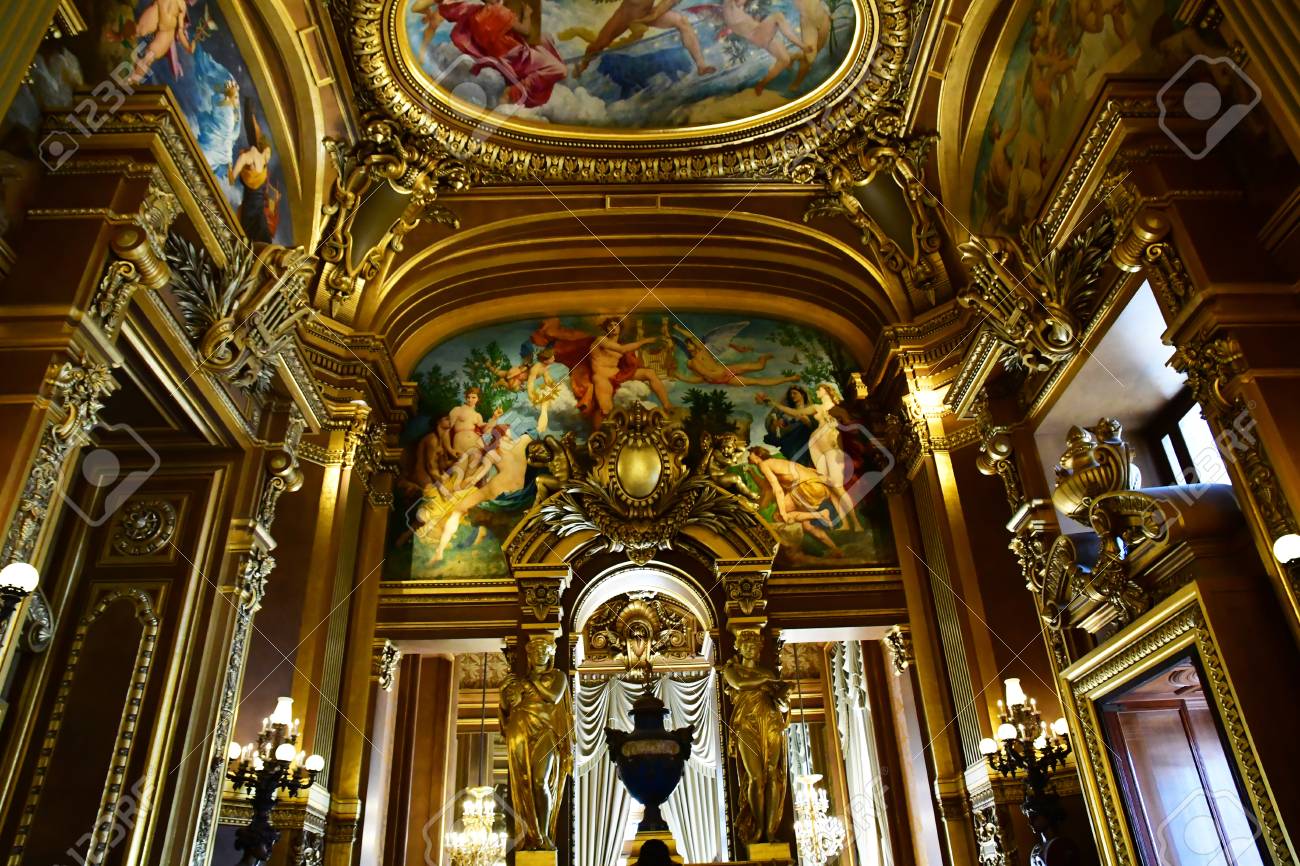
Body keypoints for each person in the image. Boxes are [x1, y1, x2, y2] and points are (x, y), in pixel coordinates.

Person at [500, 637, 573, 850]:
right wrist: (502, 692)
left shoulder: (557, 676)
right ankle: (532, 836)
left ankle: (543, 833)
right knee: (523, 780)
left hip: (546, 730)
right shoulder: (518, 681)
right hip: (520, 727)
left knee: (540, 781)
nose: (540, 654)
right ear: (530, 656)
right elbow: (508, 707)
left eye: (544, 650)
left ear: (550, 654)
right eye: (536, 651)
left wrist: (532, 682)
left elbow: (553, 697)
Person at [424, 0, 567, 107]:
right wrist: (528, 14)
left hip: (501, 57)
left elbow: (452, 11)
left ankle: (541, 64)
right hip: (517, 56)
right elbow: (526, 30)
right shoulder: (499, 12)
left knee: (545, 38)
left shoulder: (474, 12)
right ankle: (518, 89)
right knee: (559, 69)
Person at [719, 627, 788, 844]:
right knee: (756, 777)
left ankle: (770, 831)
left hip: (771, 723)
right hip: (746, 725)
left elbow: (782, 705)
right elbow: (740, 685)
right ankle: (757, 829)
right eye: (746, 645)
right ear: (739, 648)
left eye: (754, 646)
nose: (750, 649)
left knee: (773, 775)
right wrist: (766, 682)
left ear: (759, 650)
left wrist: (783, 701)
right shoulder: (732, 670)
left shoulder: (768, 673)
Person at [574, 0, 716, 77]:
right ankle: (583, 66)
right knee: (599, 45)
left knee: (682, 22)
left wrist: (654, 14)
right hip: (625, 16)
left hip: (646, 15)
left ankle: (701, 65)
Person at [747, 447, 842, 552]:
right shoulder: (773, 463)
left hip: (806, 488)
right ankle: (835, 549)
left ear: (758, 455)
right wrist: (752, 473)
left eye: (750, 453)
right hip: (815, 487)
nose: (748, 456)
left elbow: (777, 490)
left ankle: (821, 514)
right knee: (807, 526)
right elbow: (766, 487)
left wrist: (783, 512)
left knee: (778, 516)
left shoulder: (764, 464)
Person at [720, 0, 813, 95]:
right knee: (777, 16)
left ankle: (761, 84)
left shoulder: (734, 10)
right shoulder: (729, 6)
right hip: (757, 34)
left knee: (785, 60)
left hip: (760, 34)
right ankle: (802, 45)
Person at [128, 0, 194, 85]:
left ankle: (133, 80)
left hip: (167, 30)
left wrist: (188, 47)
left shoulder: (182, 6)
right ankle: (119, 35)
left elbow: (180, 31)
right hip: (157, 11)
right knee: (139, 30)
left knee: (149, 56)